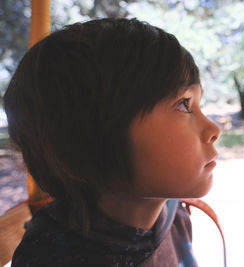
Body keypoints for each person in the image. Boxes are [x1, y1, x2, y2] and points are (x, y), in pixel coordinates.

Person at [4, 18, 220, 267]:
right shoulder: (55, 259)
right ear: (90, 142)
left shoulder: (172, 213)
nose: (213, 129)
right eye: (184, 105)